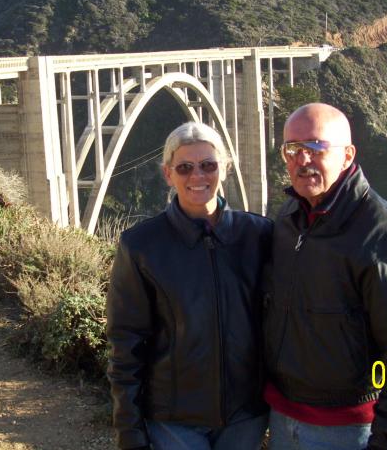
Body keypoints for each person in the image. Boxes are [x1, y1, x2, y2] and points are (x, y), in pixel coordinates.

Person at [264, 103, 387, 449]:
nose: (303, 160)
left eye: (316, 147)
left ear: (347, 156)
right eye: (293, 149)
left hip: (346, 430)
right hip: (281, 419)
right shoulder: (288, 220)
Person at [106, 121, 272, 450]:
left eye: (208, 165)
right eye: (185, 167)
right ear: (168, 174)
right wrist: (129, 430)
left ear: (223, 168)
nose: (198, 176)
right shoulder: (141, 246)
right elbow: (126, 343)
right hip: (172, 420)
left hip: (245, 416)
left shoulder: (260, 236)